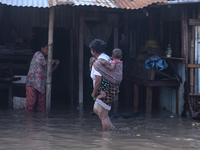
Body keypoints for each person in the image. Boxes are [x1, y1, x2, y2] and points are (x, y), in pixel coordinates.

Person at [89, 39, 119, 131]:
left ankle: (106, 139)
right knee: (96, 109)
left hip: (104, 90)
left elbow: (98, 81)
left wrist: (94, 94)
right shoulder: (107, 57)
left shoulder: (99, 63)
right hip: (111, 88)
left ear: (93, 50)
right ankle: (111, 128)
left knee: (103, 115)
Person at [25, 42, 60, 112]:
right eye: (47, 48)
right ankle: (29, 120)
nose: (48, 51)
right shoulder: (38, 54)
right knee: (30, 104)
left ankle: (40, 121)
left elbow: (50, 70)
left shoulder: (45, 58)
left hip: (41, 84)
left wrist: (55, 65)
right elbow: (45, 63)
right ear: (42, 48)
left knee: (41, 105)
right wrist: (53, 60)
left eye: (50, 49)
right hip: (32, 83)